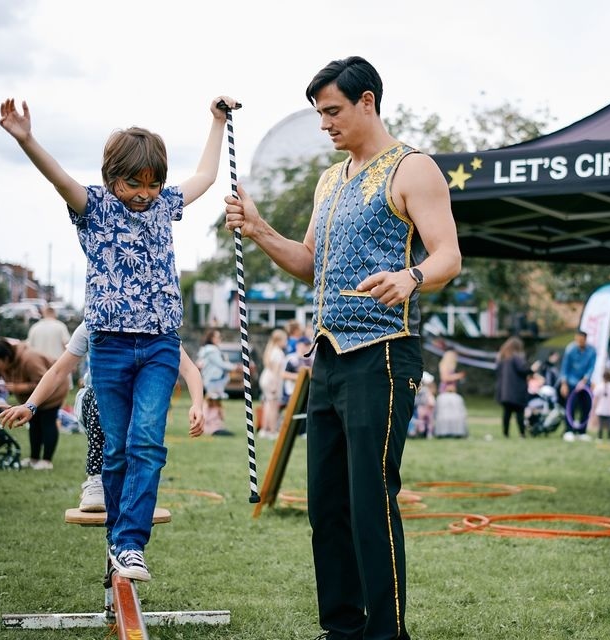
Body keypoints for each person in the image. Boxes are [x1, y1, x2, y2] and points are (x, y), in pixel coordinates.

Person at [223, 56, 461, 640]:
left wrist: (412, 276)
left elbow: (448, 256)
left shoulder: (414, 169)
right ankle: (341, 630)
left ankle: (386, 633)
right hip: (325, 358)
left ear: (368, 102)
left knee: (369, 503)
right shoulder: (329, 180)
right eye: (319, 114)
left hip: (383, 353)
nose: (324, 124)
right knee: (326, 507)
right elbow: (312, 265)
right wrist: (258, 230)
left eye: (332, 111)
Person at [0, 92, 237, 581]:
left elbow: (207, 177)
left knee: (147, 442)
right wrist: (27, 139)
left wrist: (216, 121)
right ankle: (118, 542)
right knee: (116, 449)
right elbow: (58, 177)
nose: (144, 193)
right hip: (108, 346)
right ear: (113, 178)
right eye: (134, 182)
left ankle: (130, 545)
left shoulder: (164, 207)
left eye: (153, 183)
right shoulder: (96, 208)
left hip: (158, 345)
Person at [0, 323, 205, 511]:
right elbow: (58, 371)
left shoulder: (153, 322)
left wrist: (197, 404)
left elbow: (188, 369)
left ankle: (136, 483)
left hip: (135, 403)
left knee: (144, 430)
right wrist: (31, 405)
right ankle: (96, 477)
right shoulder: (92, 324)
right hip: (99, 402)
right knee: (99, 397)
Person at [0, 338, 68, 470]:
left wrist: (17, 388)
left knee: (47, 423)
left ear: (6, 358)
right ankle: (34, 459)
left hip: (53, 392)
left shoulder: (30, 359)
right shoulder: (3, 363)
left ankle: (46, 461)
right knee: (34, 425)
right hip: (30, 400)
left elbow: (42, 383)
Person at [196, 329, 238, 436]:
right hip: (214, 380)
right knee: (212, 402)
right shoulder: (211, 351)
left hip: (214, 379)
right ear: (212, 338)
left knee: (214, 402)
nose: (220, 339)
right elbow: (220, 364)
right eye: (218, 337)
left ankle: (213, 424)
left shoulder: (209, 350)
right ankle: (208, 425)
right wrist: (235, 367)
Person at [559, 330, 596, 440]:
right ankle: (569, 430)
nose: (579, 342)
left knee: (586, 407)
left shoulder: (592, 351)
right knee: (570, 407)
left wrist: (584, 381)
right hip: (571, 383)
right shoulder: (570, 350)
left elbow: (591, 368)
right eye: (577, 339)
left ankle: (582, 432)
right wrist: (564, 384)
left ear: (585, 339)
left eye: (581, 340)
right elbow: (564, 368)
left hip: (585, 384)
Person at [495, 337, 533, 438]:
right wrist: (532, 370)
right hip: (516, 390)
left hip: (504, 391)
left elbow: (497, 372)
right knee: (519, 413)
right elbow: (522, 370)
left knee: (507, 413)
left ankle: (505, 434)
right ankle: (522, 434)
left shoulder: (502, 357)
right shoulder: (516, 357)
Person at [259, 328, 288, 439]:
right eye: (285, 340)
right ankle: (272, 431)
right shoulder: (278, 353)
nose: (286, 342)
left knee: (268, 404)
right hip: (272, 380)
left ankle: (264, 429)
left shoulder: (271, 350)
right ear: (279, 340)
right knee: (273, 406)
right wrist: (274, 386)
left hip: (265, 378)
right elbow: (276, 371)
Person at [435, 349, 468, 437]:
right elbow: (445, 378)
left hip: (451, 391)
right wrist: (458, 376)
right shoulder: (444, 366)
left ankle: (454, 430)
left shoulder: (450, 367)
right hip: (446, 391)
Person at [593, 370, 610, 439]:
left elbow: (595, 399)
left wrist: (594, 408)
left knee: (601, 425)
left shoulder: (599, 387)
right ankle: (609, 437)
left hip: (601, 409)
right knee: (609, 425)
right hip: (609, 409)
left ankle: (600, 437)